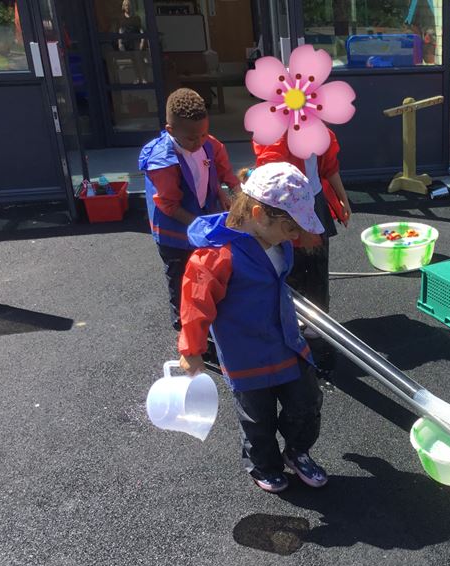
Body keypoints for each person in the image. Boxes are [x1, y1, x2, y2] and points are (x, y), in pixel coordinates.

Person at [178, 163, 328, 493]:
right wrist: (191, 350)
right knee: (257, 418)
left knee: (306, 402)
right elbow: (195, 304)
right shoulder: (217, 256)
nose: (296, 236)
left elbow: (276, 281)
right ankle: (264, 464)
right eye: (291, 228)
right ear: (259, 213)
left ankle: (297, 451)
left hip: (286, 341)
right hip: (246, 353)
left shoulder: (276, 242)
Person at [138, 88, 240, 333]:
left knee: (206, 277)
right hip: (174, 231)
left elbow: (224, 173)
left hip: (201, 221)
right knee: (181, 280)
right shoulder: (162, 160)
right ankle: (186, 331)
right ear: (171, 131)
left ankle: (206, 326)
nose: (199, 141)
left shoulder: (208, 143)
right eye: (193, 138)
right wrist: (200, 224)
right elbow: (168, 204)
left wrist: (229, 191)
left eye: (204, 134)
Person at [253, 128, 352, 378]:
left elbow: (329, 166)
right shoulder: (276, 134)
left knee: (317, 268)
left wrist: (342, 198)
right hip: (288, 206)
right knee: (291, 269)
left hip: (315, 200)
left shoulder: (322, 131)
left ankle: (316, 332)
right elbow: (270, 170)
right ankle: (290, 331)